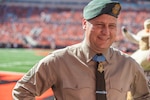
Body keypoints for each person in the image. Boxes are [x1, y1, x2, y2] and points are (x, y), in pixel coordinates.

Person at [12, 0, 150, 100]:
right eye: (100, 24)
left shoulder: (128, 64)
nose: (106, 32)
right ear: (85, 24)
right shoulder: (59, 61)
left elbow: (144, 96)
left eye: (112, 26)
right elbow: (22, 91)